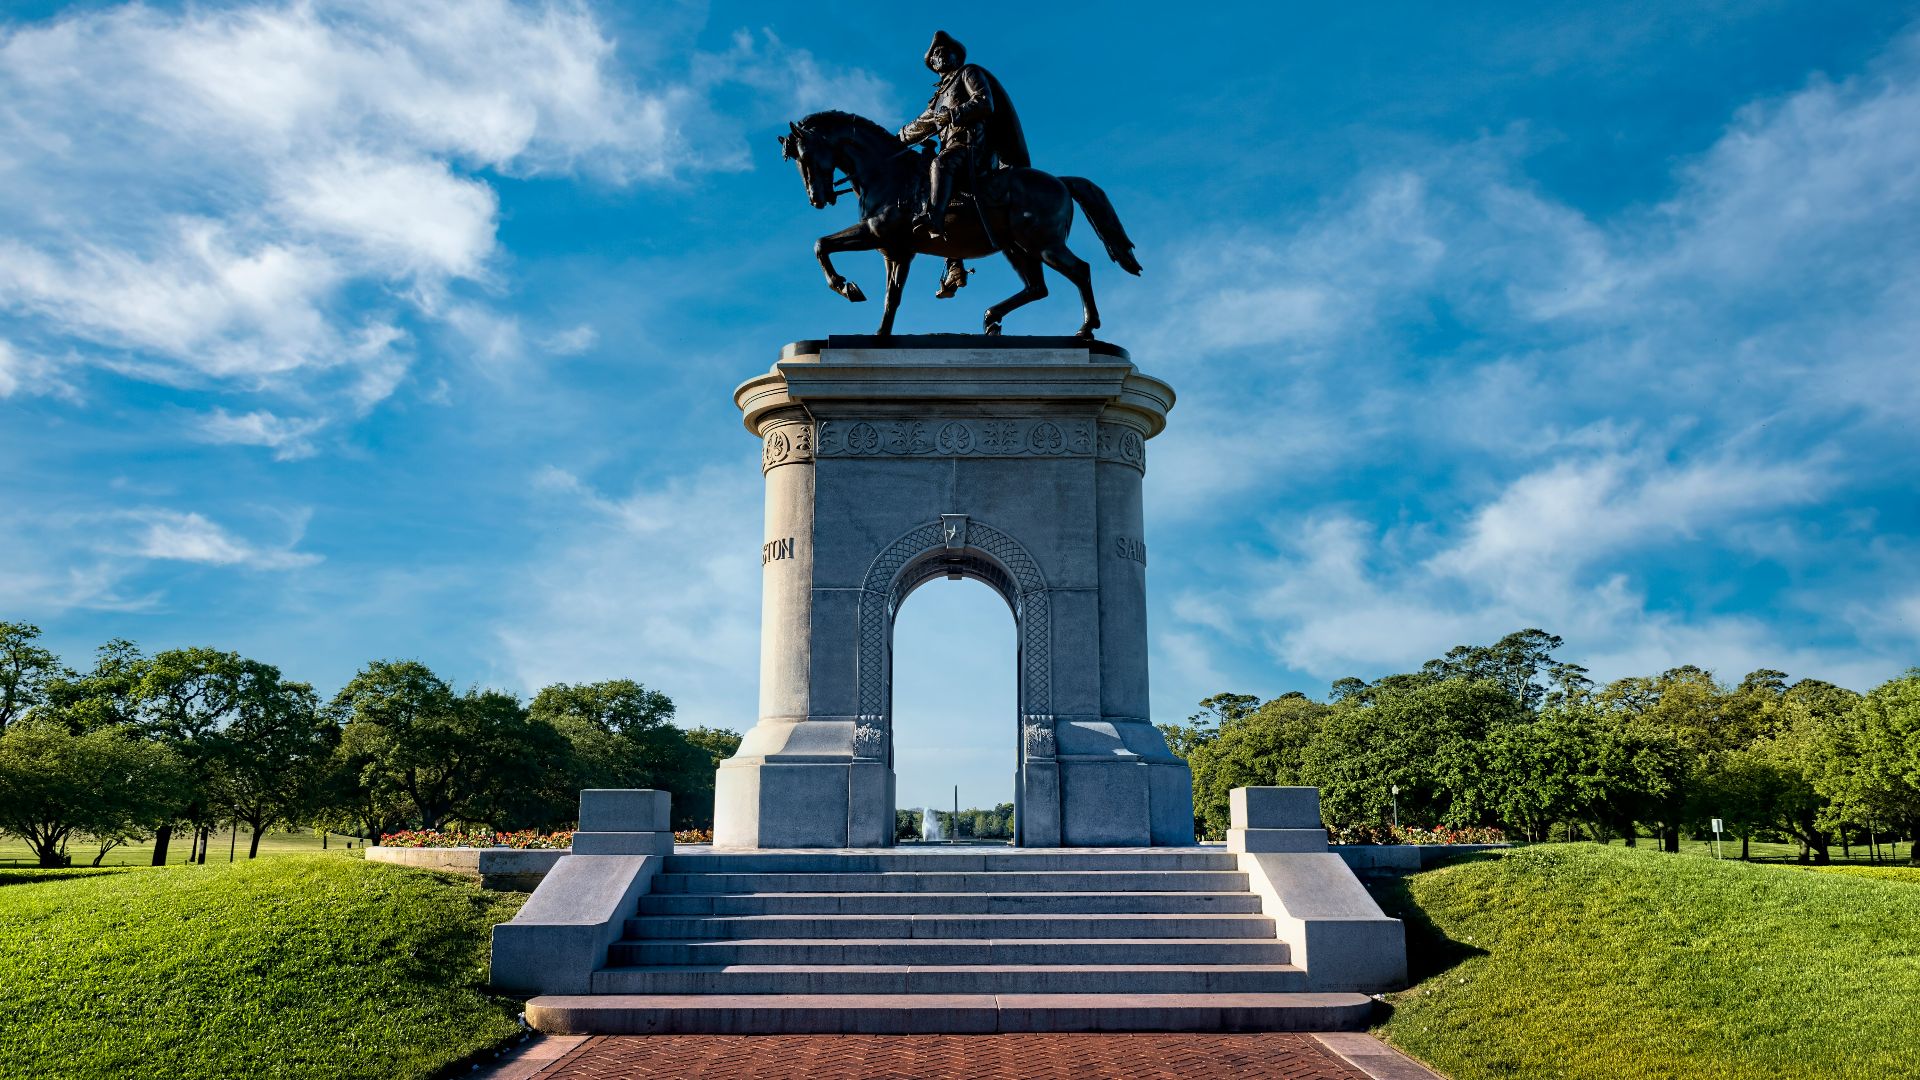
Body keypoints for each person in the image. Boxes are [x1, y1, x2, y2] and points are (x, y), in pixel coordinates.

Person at [898, 31, 1029, 297]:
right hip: (953, 148)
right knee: (921, 185)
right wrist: (894, 140)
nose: (939, 56)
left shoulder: (968, 73)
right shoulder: (937, 97)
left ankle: (934, 220)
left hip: (973, 148)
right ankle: (954, 263)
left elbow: (984, 102)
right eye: (935, 55)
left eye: (945, 52)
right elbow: (922, 125)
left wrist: (953, 114)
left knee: (940, 165)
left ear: (956, 56)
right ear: (932, 65)